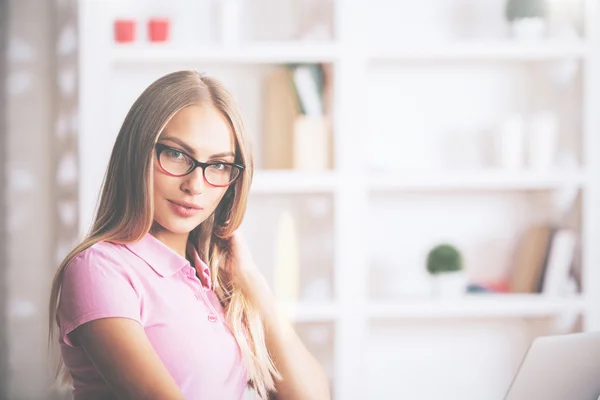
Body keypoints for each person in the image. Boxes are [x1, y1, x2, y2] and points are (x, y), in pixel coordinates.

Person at [48, 70, 330, 400]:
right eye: (177, 155)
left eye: (219, 165)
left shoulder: (216, 280)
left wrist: (253, 282)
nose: (194, 185)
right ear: (138, 153)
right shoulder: (99, 268)